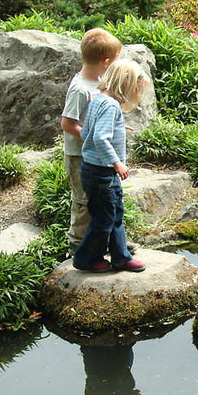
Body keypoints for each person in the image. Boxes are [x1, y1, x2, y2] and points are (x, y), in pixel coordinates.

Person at [72, 59, 149, 273]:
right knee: (105, 218)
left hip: (93, 170)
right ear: (125, 85)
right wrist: (116, 163)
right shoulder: (111, 105)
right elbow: (99, 138)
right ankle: (85, 257)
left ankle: (120, 257)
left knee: (114, 214)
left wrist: (117, 126)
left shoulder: (98, 100)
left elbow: (87, 131)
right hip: (103, 173)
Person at [60, 28, 131, 255]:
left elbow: (101, 120)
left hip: (99, 156)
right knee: (83, 200)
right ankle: (78, 245)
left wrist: (113, 127)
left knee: (108, 199)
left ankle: (112, 242)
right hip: (80, 155)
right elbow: (67, 124)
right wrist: (95, 138)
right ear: (106, 61)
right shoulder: (80, 89)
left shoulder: (100, 82)